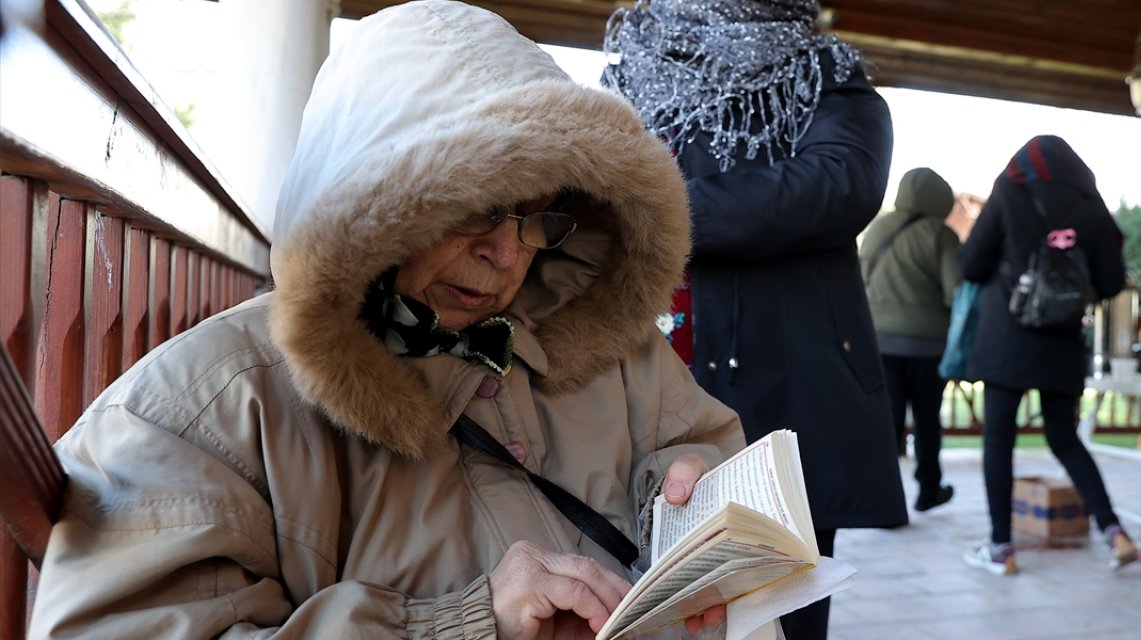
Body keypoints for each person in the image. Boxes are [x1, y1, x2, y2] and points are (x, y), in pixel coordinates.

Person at [29, 2, 748, 637]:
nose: (504, 255)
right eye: (476, 206)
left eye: (537, 217)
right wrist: (463, 624)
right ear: (369, 196)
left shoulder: (609, 351)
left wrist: (690, 489)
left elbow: (697, 446)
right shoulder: (205, 408)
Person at [603, 1, 908, 636]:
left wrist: (662, 208)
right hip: (643, 382)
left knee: (781, 608)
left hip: (784, 381)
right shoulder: (630, 73)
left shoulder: (822, 70)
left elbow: (840, 180)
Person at [956, 135, 1138, 575]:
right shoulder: (1090, 204)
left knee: (999, 438)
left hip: (1008, 341)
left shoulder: (1009, 192)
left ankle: (1001, 547)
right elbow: (1113, 281)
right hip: (1062, 343)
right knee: (1063, 437)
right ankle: (1114, 531)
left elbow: (970, 265)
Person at [860, 168, 959, 513]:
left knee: (887, 423)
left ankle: (882, 500)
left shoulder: (877, 229)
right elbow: (955, 292)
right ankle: (928, 489)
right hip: (928, 346)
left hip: (879, 342)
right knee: (927, 421)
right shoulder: (941, 235)